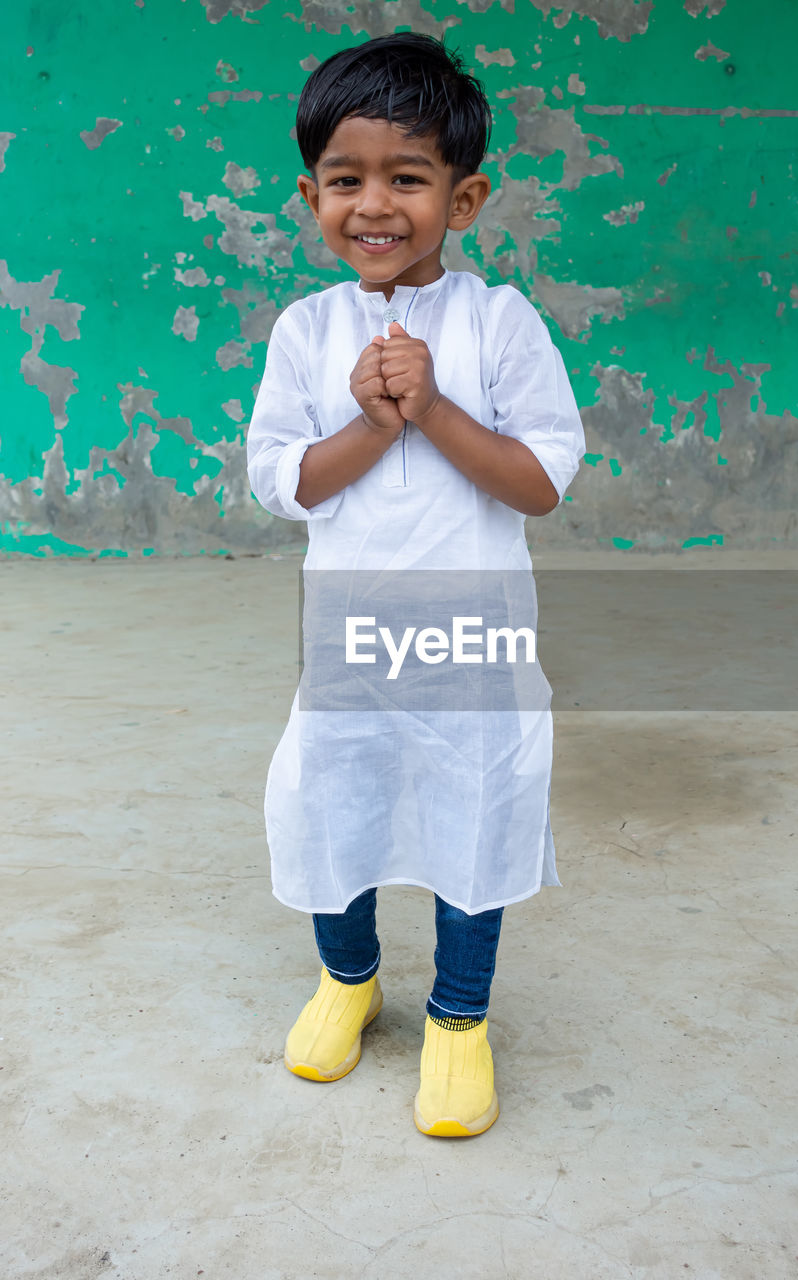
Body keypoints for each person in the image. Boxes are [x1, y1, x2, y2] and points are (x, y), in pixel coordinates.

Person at [246, 31, 585, 1138]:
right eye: (346, 180)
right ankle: (349, 980)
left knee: (470, 810)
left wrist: (435, 409)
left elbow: (537, 482)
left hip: (471, 640)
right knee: (327, 798)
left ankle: (457, 1016)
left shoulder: (500, 325)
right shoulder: (306, 332)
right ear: (310, 197)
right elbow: (286, 482)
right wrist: (370, 419)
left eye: (409, 177)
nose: (374, 205)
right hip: (350, 637)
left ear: (466, 196)